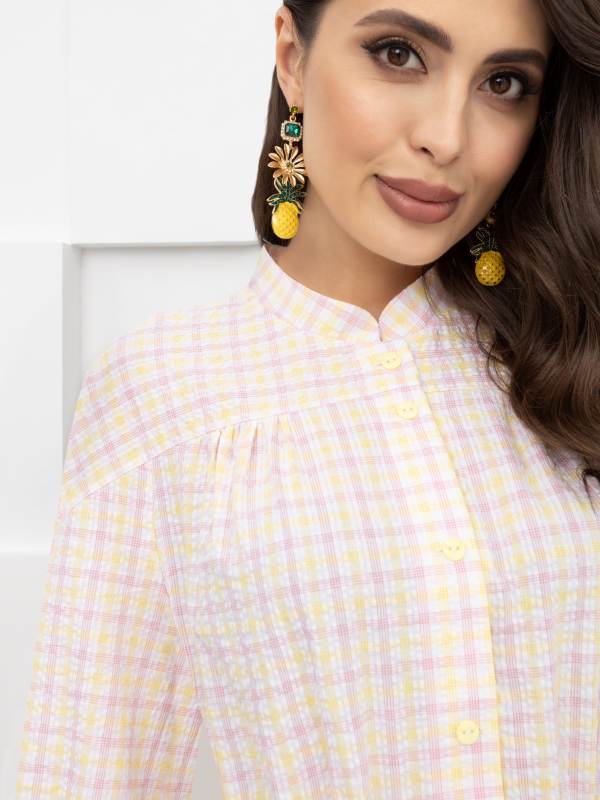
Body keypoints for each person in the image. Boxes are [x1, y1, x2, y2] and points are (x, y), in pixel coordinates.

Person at [16, 0, 600, 798]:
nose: (447, 137)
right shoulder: (164, 392)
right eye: (398, 54)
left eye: (503, 83)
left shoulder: (572, 364)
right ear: (293, 57)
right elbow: (88, 773)